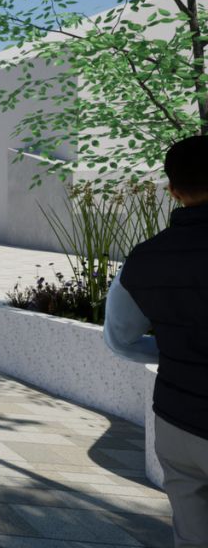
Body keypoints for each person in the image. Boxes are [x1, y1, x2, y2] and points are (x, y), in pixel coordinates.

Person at [104, 135, 208, 546]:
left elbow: (120, 340)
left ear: (173, 190)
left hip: (177, 418)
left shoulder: (144, 257)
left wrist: (172, 350)